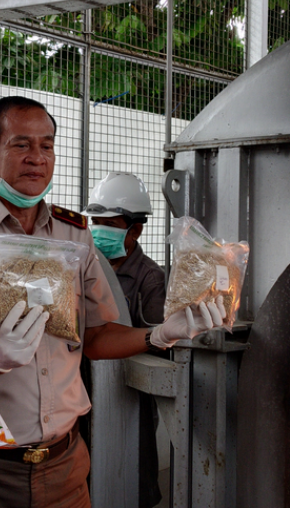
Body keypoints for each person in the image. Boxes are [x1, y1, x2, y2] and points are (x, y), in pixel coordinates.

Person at [0, 95, 228, 508]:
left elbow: (96, 336)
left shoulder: (73, 233)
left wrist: (160, 334)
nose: (37, 158)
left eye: (47, 145)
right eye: (21, 144)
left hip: (64, 466)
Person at [82, 171, 165, 508]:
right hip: (83, 386)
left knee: (132, 463)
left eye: (109, 223)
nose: (98, 230)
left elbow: (158, 339)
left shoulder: (149, 277)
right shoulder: (82, 264)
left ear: (135, 230)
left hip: (127, 392)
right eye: (95, 221)